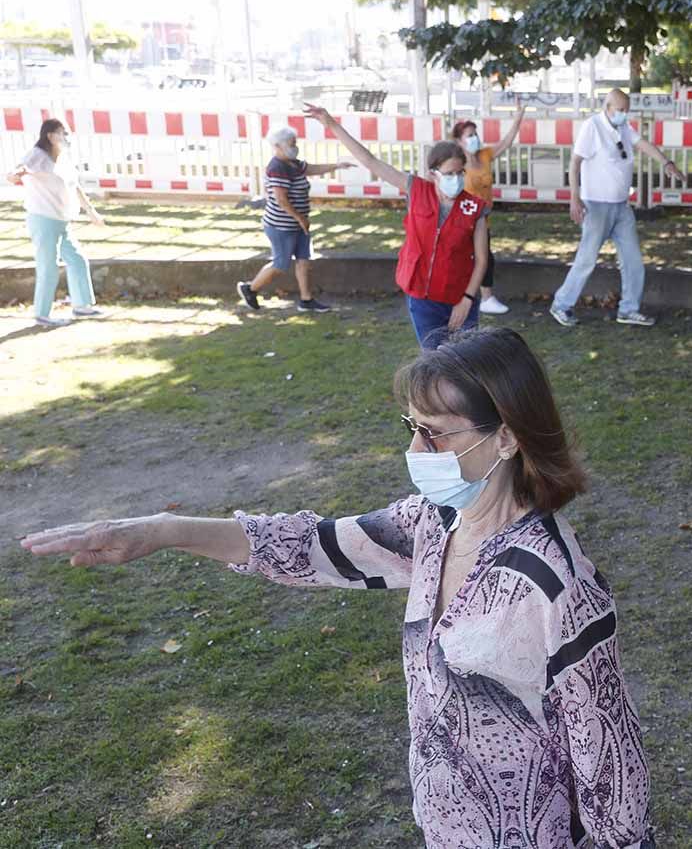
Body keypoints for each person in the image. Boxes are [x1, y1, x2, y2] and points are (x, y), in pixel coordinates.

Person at [20, 328, 655, 849]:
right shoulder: (433, 523)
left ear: (509, 436)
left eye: (436, 432)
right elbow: (313, 547)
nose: (415, 447)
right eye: (411, 425)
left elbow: (612, 777)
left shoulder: (560, 588)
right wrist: (164, 531)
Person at [303, 103, 488, 348]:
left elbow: (482, 259)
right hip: (422, 298)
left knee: (467, 360)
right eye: (450, 173)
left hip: (459, 298)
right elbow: (370, 160)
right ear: (434, 173)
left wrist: (467, 299)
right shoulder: (416, 189)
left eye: (460, 173)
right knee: (433, 361)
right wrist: (331, 124)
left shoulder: (475, 207)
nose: (456, 179)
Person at [549, 89, 686, 328]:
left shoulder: (622, 127)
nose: (624, 114)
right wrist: (574, 197)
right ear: (607, 107)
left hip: (622, 208)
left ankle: (629, 309)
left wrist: (666, 162)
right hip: (596, 206)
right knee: (586, 259)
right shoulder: (592, 126)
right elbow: (575, 162)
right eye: (620, 110)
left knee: (633, 261)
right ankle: (561, 305)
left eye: (626, 110)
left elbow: (643, 144)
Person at [237, 125, 354, 313]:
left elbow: (312, 168)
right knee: (280, 264)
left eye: (295, 144)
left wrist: (337, 166)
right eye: (291, 144)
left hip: (298, 224)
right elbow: (281, 199)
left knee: (303, 259)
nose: (295, 147)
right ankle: (249, 289)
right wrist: (300, 219)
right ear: (277, 146)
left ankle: (306, 300)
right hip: (282, 226)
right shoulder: (277, 167)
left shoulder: (294, 163)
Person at [6, 118, 104, 328]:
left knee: (77, 260)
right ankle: (42, 314)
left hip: (61, 221)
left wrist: (91, 211)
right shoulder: (37, 156)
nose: (67, 137)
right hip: (43, 221)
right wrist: (16, 175)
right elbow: (18, 171)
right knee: (48, 268)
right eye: (63, 133)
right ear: (50, 136)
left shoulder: (63, 159)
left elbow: (74, 186)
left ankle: (82, 305)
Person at [453, 99, 528, 315]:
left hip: (483, 219)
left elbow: (506, 142)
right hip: (465, 219)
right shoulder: (457, 164)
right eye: (469, 135)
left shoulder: (485, 156)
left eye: (475, 134)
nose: (475, 138)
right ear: (459, 141)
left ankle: (483, 298)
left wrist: (518, 118)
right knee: (478, 257)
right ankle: (482, 297)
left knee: (483, 257)